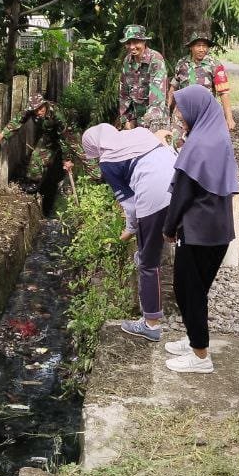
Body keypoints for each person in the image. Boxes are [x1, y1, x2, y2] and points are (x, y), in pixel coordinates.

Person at [161, 86, 238, 374]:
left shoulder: (198, 144)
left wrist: (169, 227)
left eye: (182, 109)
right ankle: (194, 339)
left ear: (197, 109)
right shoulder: (218, 137)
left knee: (186, 290)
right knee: (197, 289)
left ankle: (200, 356)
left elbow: (182, 193)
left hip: (197, 232)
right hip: (219, 231)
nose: (180, 115)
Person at [81, 123, 176, 343]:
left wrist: (130, 229)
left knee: (147, 262)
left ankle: (151, 324)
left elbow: (131, 206)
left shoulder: (107, 161)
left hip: (154, 197)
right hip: (182, 185)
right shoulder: (139, 133)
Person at [0, 93, 80, 181]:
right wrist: (3, 134)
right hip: (49, 134)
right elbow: (18, 119)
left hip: (68, 132)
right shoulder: (31, 110)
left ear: (45, 104)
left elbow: (64, 137)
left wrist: (67, 159)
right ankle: (35, 183)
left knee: (80, 154)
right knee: (36, 158)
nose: (38, 112)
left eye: (40, 108)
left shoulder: (57, 114)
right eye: (35, 110)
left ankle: (85, 177)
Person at [169, 33, 234, 142]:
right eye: (198, 46)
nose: (202, 49)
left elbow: (224, 93)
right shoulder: (181, 63)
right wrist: (167, 109)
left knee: (203, 144)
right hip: (182, 110)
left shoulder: (215, 65)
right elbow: (173, 87)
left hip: (205, 112)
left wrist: (229, 118)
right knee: (176, 141)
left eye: (204, 46)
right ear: (191, 47)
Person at [117, 25, 169, 131]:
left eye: (136, 42)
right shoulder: (127, 61)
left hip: (155, 120)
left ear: (144, 42)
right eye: (128, 43)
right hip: (135, 119)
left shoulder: (155, 59)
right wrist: (126, 119)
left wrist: (147, 126)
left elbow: (157, 97)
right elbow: (124, 93)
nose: (132, 47)